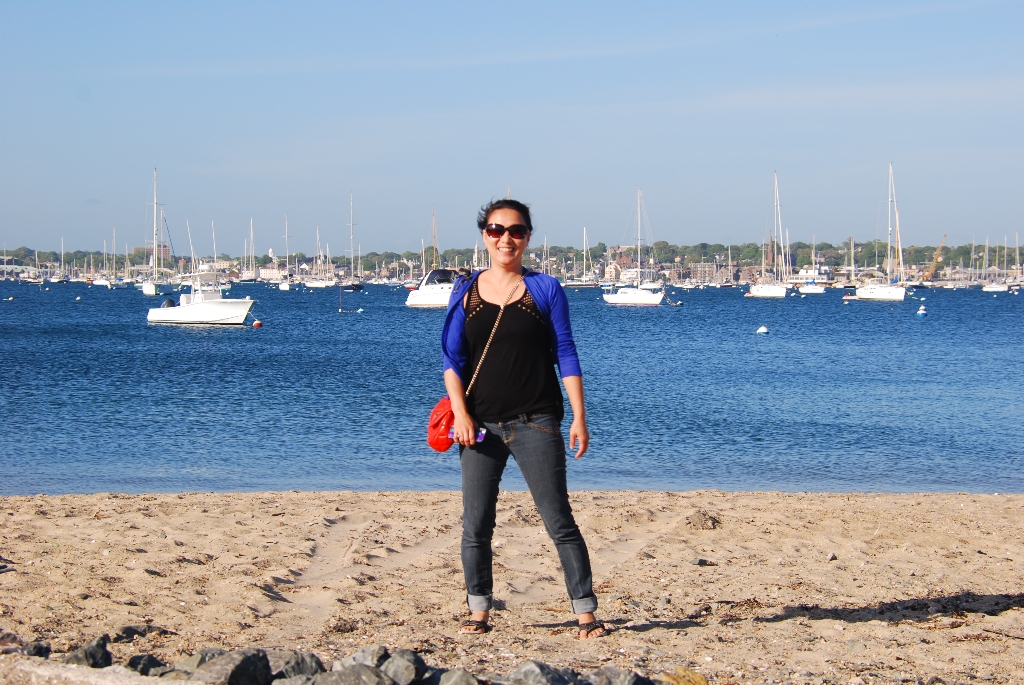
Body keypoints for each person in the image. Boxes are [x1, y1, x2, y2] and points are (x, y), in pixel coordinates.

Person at [440, 198, 607, 640]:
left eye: (515, 231)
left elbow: (565, 352)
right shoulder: (465, 291)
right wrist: (460, 414)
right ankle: (478, 611)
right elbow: (452, 360)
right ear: (485, 236)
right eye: (496, 230)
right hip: (479, 428)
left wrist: (579, 416)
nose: (506, 239)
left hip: (537, 421)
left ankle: (586, 613)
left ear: (528, 237)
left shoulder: (545, 288)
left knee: (559, 521)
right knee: (476, 525)